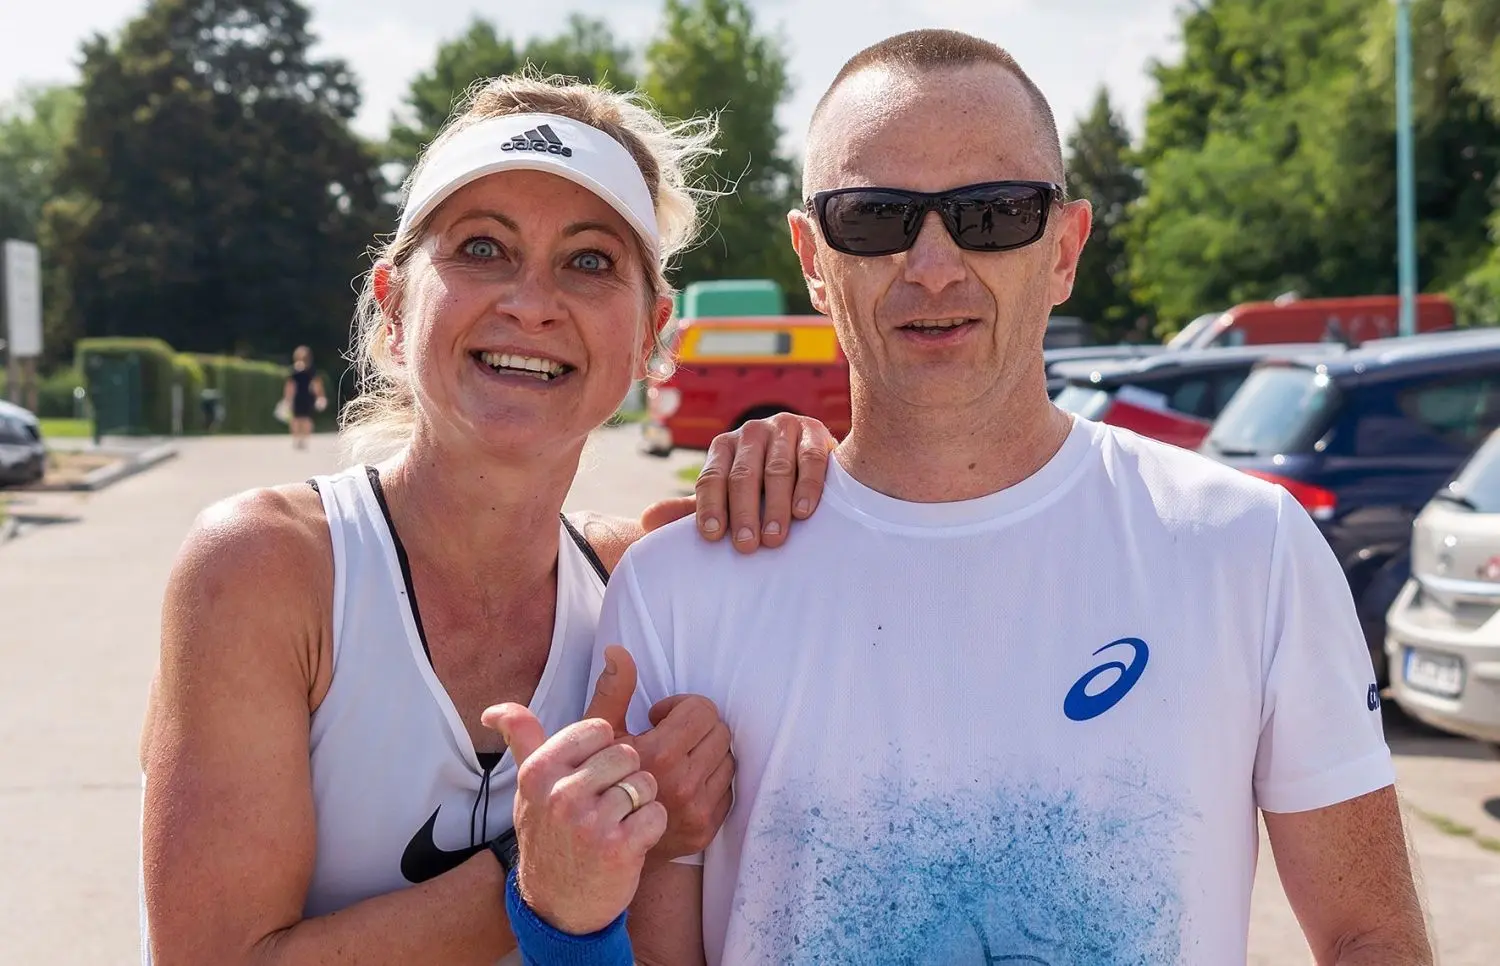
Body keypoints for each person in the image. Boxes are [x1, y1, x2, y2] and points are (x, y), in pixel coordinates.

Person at [500, 29, 1434, 965]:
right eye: (875, 217)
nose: (935, 265)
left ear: (1065, 248)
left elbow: (1370, 936)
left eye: (993, 214)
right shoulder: (679, 591)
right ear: (813, 258)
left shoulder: (1247, 547)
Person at [138, 72, 838, 965]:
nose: (531, 302)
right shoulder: (267, 569)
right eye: (481, 248)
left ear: (648, 340)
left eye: (589, 262)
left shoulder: (641, 577)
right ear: (393, 308)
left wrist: (806, 466)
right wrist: (548, 866)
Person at [282, 345, 327, 449]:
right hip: (300, 397)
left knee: (304, 419)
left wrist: (320, 396)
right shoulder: (297, 371)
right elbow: (290, 386)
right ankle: (298, 438)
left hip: (305, 396)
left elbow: (316, 384)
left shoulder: (308, 371)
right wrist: (287, 398)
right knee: (298, 419)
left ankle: (302, 439)